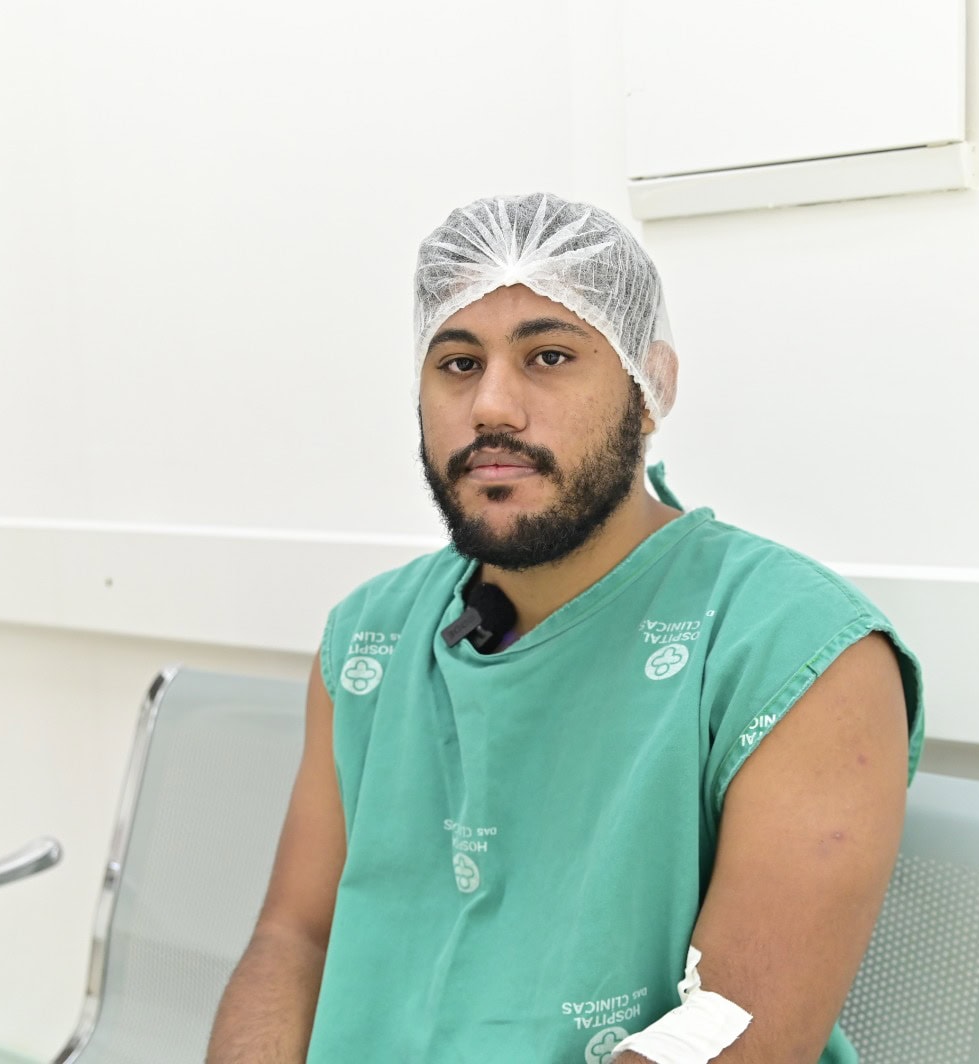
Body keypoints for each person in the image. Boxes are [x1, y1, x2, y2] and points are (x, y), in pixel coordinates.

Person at [208, 192, 924, 1064]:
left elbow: (728, 1030)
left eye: (548, 356)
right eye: (458, 363)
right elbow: (295, 939)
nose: (492, 407)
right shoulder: (370, 638)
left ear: (649, 388)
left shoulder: (794, 648)